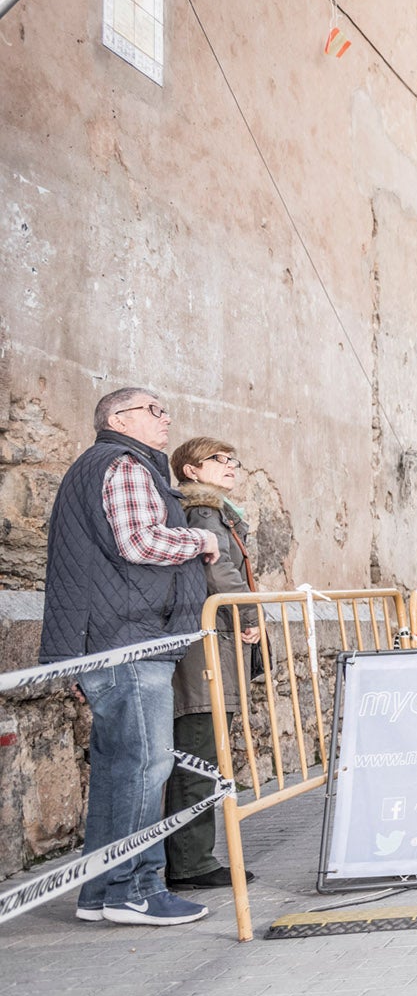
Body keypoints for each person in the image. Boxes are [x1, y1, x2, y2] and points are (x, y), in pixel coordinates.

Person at [41, 387, 220, 927]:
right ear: (118, 418)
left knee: (121, 771)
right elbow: (140, 542)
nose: (166, 418)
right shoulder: (123, 463)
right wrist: (199, 542)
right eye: (154, 410)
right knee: (145, 767)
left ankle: (99, 893)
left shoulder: (105, 465)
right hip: (129, 642)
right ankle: (133, 889)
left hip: (113, 639)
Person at [165, 436, 262, 893]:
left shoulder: (216, 511)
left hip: (217, 644)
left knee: (207, 753)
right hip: (205, 651)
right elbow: (219, 572)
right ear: (190, 470)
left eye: (233, 459)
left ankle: (196, 858)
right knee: (198, 752)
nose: (230, 466)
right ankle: (190, 863)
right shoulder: (203, 512)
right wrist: (248, 612)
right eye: (217, 460)